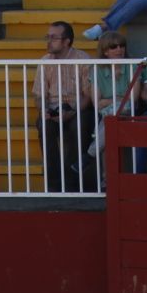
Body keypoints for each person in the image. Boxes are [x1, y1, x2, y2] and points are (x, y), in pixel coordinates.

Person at [39, 20, 92, 193]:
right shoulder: (45, 61)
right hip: (53, 108)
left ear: (67, 41)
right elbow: (39, 95)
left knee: (80, 123)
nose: (48, 41)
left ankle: (72, 183)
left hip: (77, 108)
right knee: (43, 124)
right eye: (48, 36)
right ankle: (53, 184)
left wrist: (74, 111)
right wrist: (45, 110)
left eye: (54, 37)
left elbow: (88, 94)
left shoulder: (83, 58)